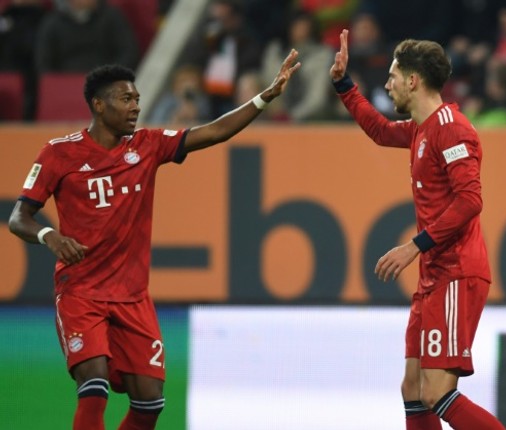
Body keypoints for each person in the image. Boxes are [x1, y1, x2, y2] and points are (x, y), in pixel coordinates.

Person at [7, 50, 300, 429]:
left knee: (150, 404)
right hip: (81, 292)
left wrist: (266, 96)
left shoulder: (147, 144)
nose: (135, 107)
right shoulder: (59, 153)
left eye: (137, 100)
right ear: (99, 105)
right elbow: (19, 217)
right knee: (93, 387)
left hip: (133, 297)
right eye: (125, 99)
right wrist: (49, 236)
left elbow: (212, 131)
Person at [329, 29, 505, 430]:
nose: (387, 84)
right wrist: (344, 84)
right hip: (434, 277)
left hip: (456, 272)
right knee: (412, 387)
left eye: (393, 76)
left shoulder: (453, 129)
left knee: (437, 393)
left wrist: (414, 246)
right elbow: (379, 131)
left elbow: (470, 200)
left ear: (413, 80)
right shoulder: (420, 130)